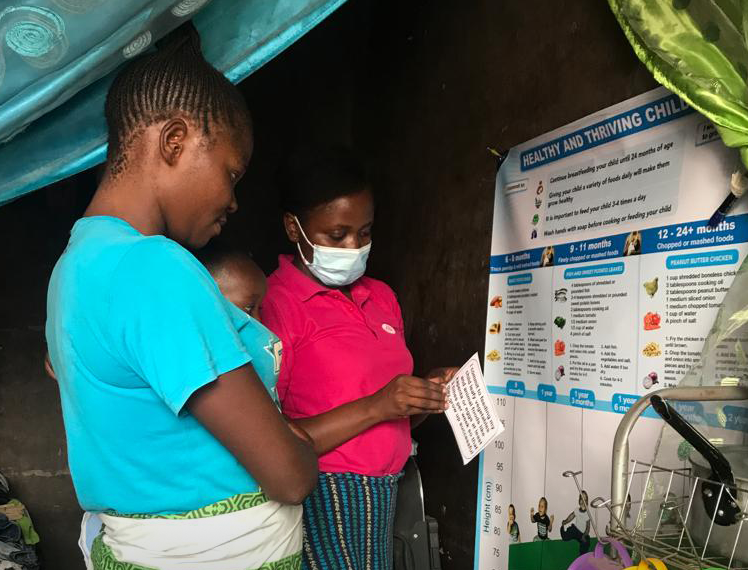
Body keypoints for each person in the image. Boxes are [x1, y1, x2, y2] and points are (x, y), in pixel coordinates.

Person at [45, 24, 317, 570]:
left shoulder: (73, 266)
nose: (234, 201)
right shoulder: (152, 266)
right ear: (174, 142)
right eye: (231, 173)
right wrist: (303, 455)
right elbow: (289, 476)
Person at [260, 146, 456, 570]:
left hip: (387, 495)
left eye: (365, 232)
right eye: (337, 234)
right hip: (322, 501)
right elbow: (269, 439)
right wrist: (380, 404)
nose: (354, 246)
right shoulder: (273, 305)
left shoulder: (381, 297)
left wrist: (424, 396)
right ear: (294, 228)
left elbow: (391, 415)